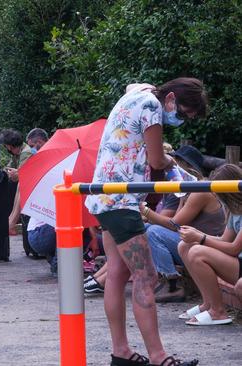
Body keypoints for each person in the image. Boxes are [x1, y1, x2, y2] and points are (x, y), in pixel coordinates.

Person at [85, 78, 207, 366]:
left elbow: (131, 84)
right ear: (172, 98)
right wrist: (173, 163)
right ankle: (158, 357)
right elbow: (156, 158)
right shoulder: (152, 105)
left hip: (106, 197)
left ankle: (122, 353)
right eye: (184, 112)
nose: (182, 119)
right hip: (122, 201)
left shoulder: (140, 94)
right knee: (146, 276)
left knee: (116, 273)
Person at [143, 145, 226, 303]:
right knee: (146, 229)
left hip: (207, 245)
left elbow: (174, 224)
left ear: (186, 167)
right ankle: (162, 278)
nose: (170, 169)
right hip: (194, 242)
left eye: (175, 165)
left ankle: (173, 284)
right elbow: (177, 223)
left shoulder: (199, 191)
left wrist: (145, 211)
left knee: (153, 231)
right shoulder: (187, 189)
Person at [177, 164, 242, 326]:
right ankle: (208, 304)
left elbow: (234, 248)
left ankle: (218, 312)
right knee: (185, 246)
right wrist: (196, 236)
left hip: (238, 263)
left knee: (197, 252)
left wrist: (201, 238)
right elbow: (226, 241)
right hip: (238, 264)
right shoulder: (235, 211)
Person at [0, 128, 36, 234]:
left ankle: (12, 222)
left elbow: (22, 174)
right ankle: (10, 220)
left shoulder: (26, 153)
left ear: (9, 146)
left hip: (31, 183)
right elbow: (10, 168)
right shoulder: (18, 153)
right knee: (18, 183)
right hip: (28, 181)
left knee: (22, 183)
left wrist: (16, 173)